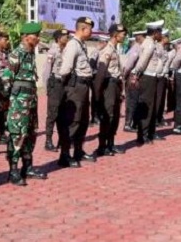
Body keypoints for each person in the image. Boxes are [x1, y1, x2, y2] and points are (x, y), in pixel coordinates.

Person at [5, 22, 47, 186]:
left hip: (30, 100)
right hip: (19, 102)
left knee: (30, 133)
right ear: (25, 37)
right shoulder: (17, 54)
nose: (38, 38)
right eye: (35, 35)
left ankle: (27, 167)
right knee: (17, 134)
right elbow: (6, 79)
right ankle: (13, 170)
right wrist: (11, 103)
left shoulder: (30, 54)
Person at [57, 16, 95, 167]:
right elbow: (65, 69)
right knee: (73, 120)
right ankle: (65, 155)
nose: (91, 32)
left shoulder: (81, 44)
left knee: (83, 120)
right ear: (83, 29)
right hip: (75, 86)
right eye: (90, 29)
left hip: (83, 86)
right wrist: (67, 87)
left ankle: (78, 150)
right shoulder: (73, 45)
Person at [129, 21, 166, 145]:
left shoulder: (152, 43)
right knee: (147, 106)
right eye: (160, 32)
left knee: (152, 106)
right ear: (155, 32)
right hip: (147, 77)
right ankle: (142, 135)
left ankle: (150, 132)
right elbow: (143, 61)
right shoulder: (149, 44)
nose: (161, 34)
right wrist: (136, 73)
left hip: (152, 77)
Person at [94, 23, 126, 156]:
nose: (124, 36)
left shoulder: (115, 49)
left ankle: (111, 144)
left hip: (116, 85)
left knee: (116, 115)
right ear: (115, 35)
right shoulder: (107, 50)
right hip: (109, 86)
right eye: (122, 34)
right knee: (108, 115)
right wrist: (97, 93)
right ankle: (102, 146)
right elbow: (101, 73)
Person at [43, 29, 69, 151]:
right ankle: (48, 141)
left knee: (63, 113)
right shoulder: (53, 51)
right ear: (59, 38)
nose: (67, 38)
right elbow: (47, 71)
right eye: (65, 36)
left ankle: (62, 140)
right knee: (52, 114)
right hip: (55, 84)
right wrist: (47, 88)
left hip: (64, 84)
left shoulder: (66, 50)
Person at [122, 30, 145, 131]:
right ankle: (128, 124)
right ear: (139, 37)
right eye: (144, 37)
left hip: (136, 77)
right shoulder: (136, 48)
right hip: (132, 78)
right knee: (132, 101)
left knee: (136, 100)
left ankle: (133, 123)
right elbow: (129, 65)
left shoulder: (138, 47)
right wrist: (125, 76)